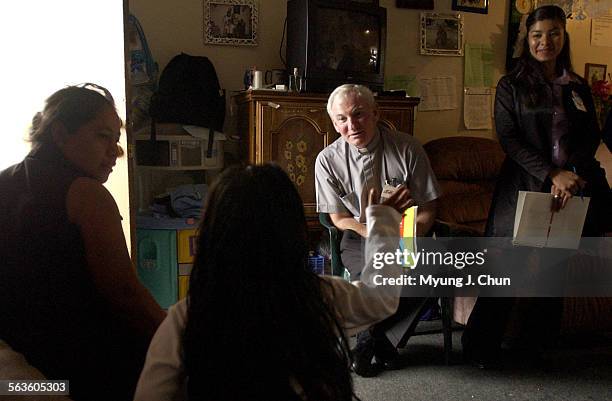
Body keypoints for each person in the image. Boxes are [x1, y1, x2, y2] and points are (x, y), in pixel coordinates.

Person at [133, 164, 411, 401]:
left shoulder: (187, 317)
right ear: (294, 232)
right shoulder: (319, 297)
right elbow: (381, 298)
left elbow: (151, 393)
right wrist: (383, 222)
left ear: (211, 237)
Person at [462, 5, 612, 368]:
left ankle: (532, 348)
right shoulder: (511, 85)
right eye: (537, 35)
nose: (546, 41)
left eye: (554, 33)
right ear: (527, 40)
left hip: (569, 190)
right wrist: (551, 173)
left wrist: (571, 174)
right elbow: (510, 140)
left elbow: (591, 135)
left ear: (564, 36)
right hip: (523, 189)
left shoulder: (577, 86)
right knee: (507, 268)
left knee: (551, 271)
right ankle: (481, 349)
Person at [0, 84, 166, 401]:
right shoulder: (86, 194)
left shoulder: (4, 182)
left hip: (19, 377)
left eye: (116, 141)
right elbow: (125, 295)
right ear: (61, 134)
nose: (115, 153)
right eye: (103, 136)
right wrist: (175, 336)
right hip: (77, 376)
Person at [315, 84, 440, 376]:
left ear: (375, 113)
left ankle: (372, 339)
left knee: (434, 269)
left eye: (358, 115)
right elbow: (339, 217)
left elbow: (429, 208)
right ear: (334, 123)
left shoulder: (408, 148)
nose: (351, 125)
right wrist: (373, 231)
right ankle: (383, 342)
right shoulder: (328, 160)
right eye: (341, 119)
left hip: (406, 231)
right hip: (359, 237)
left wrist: (405, 240)